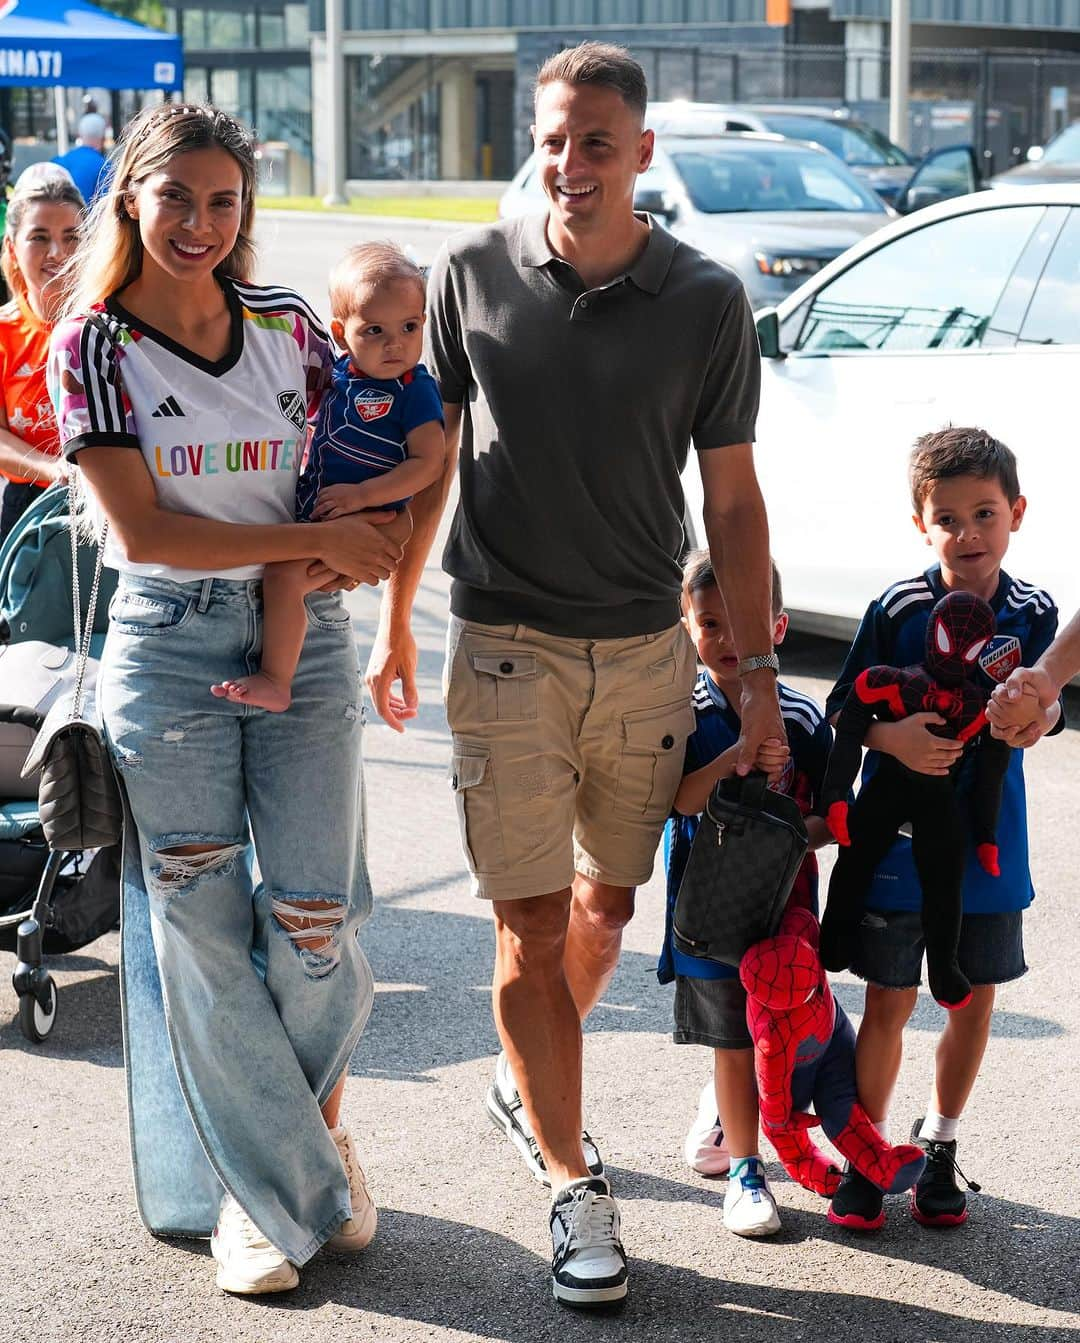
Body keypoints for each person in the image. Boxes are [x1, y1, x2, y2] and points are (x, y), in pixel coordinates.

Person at [365, 42, 785, 1306]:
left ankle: (525, 1074)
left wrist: (756, 672)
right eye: (552, 137)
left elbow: (736, 498)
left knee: (605, 910)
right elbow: (426, 454)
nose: (569, 161)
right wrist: (396, 616)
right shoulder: (473, 272)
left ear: (642, 152)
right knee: (529, 923)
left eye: (597, 140)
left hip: (649, 650)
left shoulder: (707, 300)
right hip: (501, 645)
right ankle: (568, 1175)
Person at [48, 103, 409, 1296]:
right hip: (167, 649)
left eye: (224, 201)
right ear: (132, 200)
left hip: (304, 640)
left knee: (317, 925)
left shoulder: (294, 330)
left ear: (245, 212)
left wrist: (379, 556)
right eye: (176, 199)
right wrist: (321, 537)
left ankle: (280, 1169)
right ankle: (277, 1197)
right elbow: (144, 527)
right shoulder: (92, 342)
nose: (200, 224)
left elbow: (377, 463)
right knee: (199, 939)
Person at [824, 426, 1063, 1233]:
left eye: (985, 514)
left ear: (1017, 513)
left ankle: (941, 1146)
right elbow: (841, 709)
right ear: (919, 523)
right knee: (887, 995)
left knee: (973, 995)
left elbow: (1057, 704)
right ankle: (866, 1151)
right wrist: (891, 739)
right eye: (948, 518)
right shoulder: (896, 607)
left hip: (990, 838)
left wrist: (1042, 713)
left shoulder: (1035, 612)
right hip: (894, 839)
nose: (968, 535)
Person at [659, 551, 833, 1238]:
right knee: (733, 1036)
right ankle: (746, 1170)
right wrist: (735, 760)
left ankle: (722, 1114)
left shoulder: (803, 717)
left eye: (745, 624)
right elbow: (674, 797)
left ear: (779, 627)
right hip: (706, 906)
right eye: (709, 623)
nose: (728, 641)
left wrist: (789, 826)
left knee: (776, 1035)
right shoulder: (682, 711)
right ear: (685, 627)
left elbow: (830, 817)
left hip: (783, 908)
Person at [211, 241, 444, 712]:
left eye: (410, 327)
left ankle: (277, 679)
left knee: (284, 578)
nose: (395, 343)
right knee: (278, 574)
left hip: (372, 518)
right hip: (323, 512)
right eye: (374, 330)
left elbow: (428, 463)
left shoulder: (414, 388)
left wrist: (365, 495)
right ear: (340, 333)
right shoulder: (338, 373)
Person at [0, 171, 83, 542]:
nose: (58, 253)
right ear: (12, 247)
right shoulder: (3, 332)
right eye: (39, 238)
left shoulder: (112, 326)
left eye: (71, 237)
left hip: (110, 504)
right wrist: (52, 469)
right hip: (28, 509)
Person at [988, 606, 1080, 744]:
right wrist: (1049, 674)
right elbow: (1046, 690)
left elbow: (1050, 705)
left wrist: (1035, 720)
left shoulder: (1035, 607)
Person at [52, 112, 110, 208]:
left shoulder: (56, 163)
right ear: (103, 137)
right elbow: (107, 208)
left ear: (79, 135)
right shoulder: (105, 167)